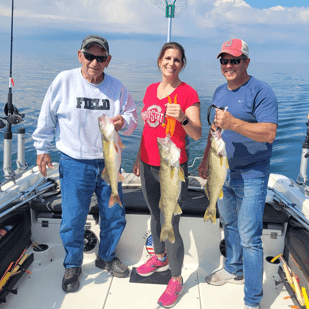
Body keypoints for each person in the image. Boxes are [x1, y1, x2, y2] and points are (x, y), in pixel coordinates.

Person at [32, 35, 138, 293]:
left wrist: (124, 122)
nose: (94, 62)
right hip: (74, 162)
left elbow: (132, 117)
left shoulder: (117, 87)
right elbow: (47, 116)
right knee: (72, 219)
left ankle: (106, 256)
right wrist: (41, 148)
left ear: (108, 61)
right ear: (79, 56)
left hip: (108, 162)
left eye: (101, 58)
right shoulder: (63, 81)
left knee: (114, 214)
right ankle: (73, 264)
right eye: (89, 56)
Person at [198, 38, 278, 309]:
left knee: (250, 237)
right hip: (223, 172)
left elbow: (269, 132)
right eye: (224, 60)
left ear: (246, 61)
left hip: (252, 174)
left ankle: (253, 300)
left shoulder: (261, 91)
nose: (229, 65)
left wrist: (234, 122)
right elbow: (214, 130)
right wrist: (206, 159)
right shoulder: (220, 92)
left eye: (235, 60)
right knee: (229, 225)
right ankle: (234, 268)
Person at [133, 42, 202, 308]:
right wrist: (139, 156)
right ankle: (158, 257)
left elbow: (196, 133)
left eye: (177, 59)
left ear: (182, 64)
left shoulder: (188, 93)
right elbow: (147, 129)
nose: (171, 63)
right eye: (167, 58)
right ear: (159, 60)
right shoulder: (151, 90)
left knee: (170, 223)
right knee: (154, 214)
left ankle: (175, 278)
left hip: (172, 168)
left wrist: (184, 118)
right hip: (149, 163)